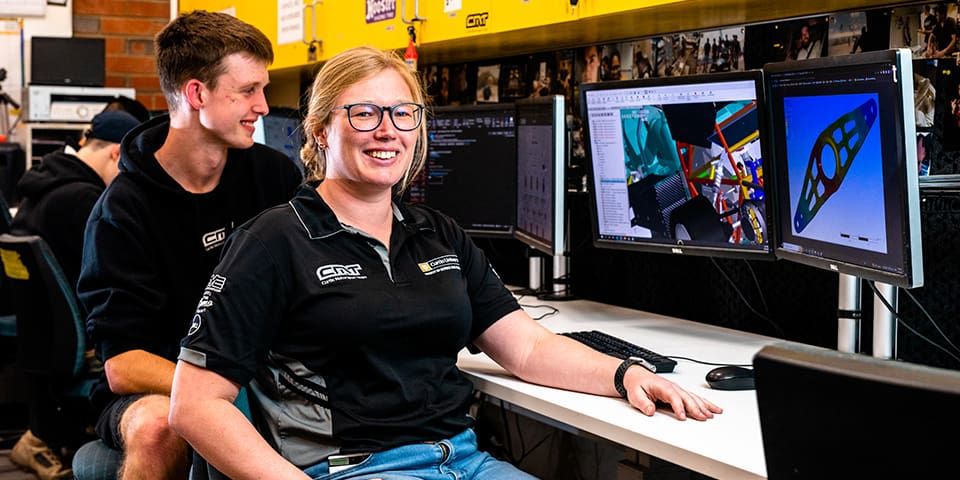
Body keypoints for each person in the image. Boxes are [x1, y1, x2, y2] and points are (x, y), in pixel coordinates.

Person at [168, 45, 721, 480]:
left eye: (403, 113)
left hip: (464, 461)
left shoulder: (437, 234)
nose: (388, 130)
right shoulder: (273, 240)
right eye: (364, 114)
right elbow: (195, 407)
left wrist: (625, 374)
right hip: (351, 469)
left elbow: (526, 347)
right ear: (320, 131)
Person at [77, 10, 302, 480]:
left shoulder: (273, 176)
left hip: (270, 372)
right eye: (247, 91)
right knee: (161, 427)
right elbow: (123, 365)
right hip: (161, 384)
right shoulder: (122, 211)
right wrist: (224, 390)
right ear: (197, 94)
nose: (262, 106)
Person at [8, 109, 140, 480]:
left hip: (42, 336)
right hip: (77, 341)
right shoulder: (86, 202)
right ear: (117, 154)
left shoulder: (38, 187)